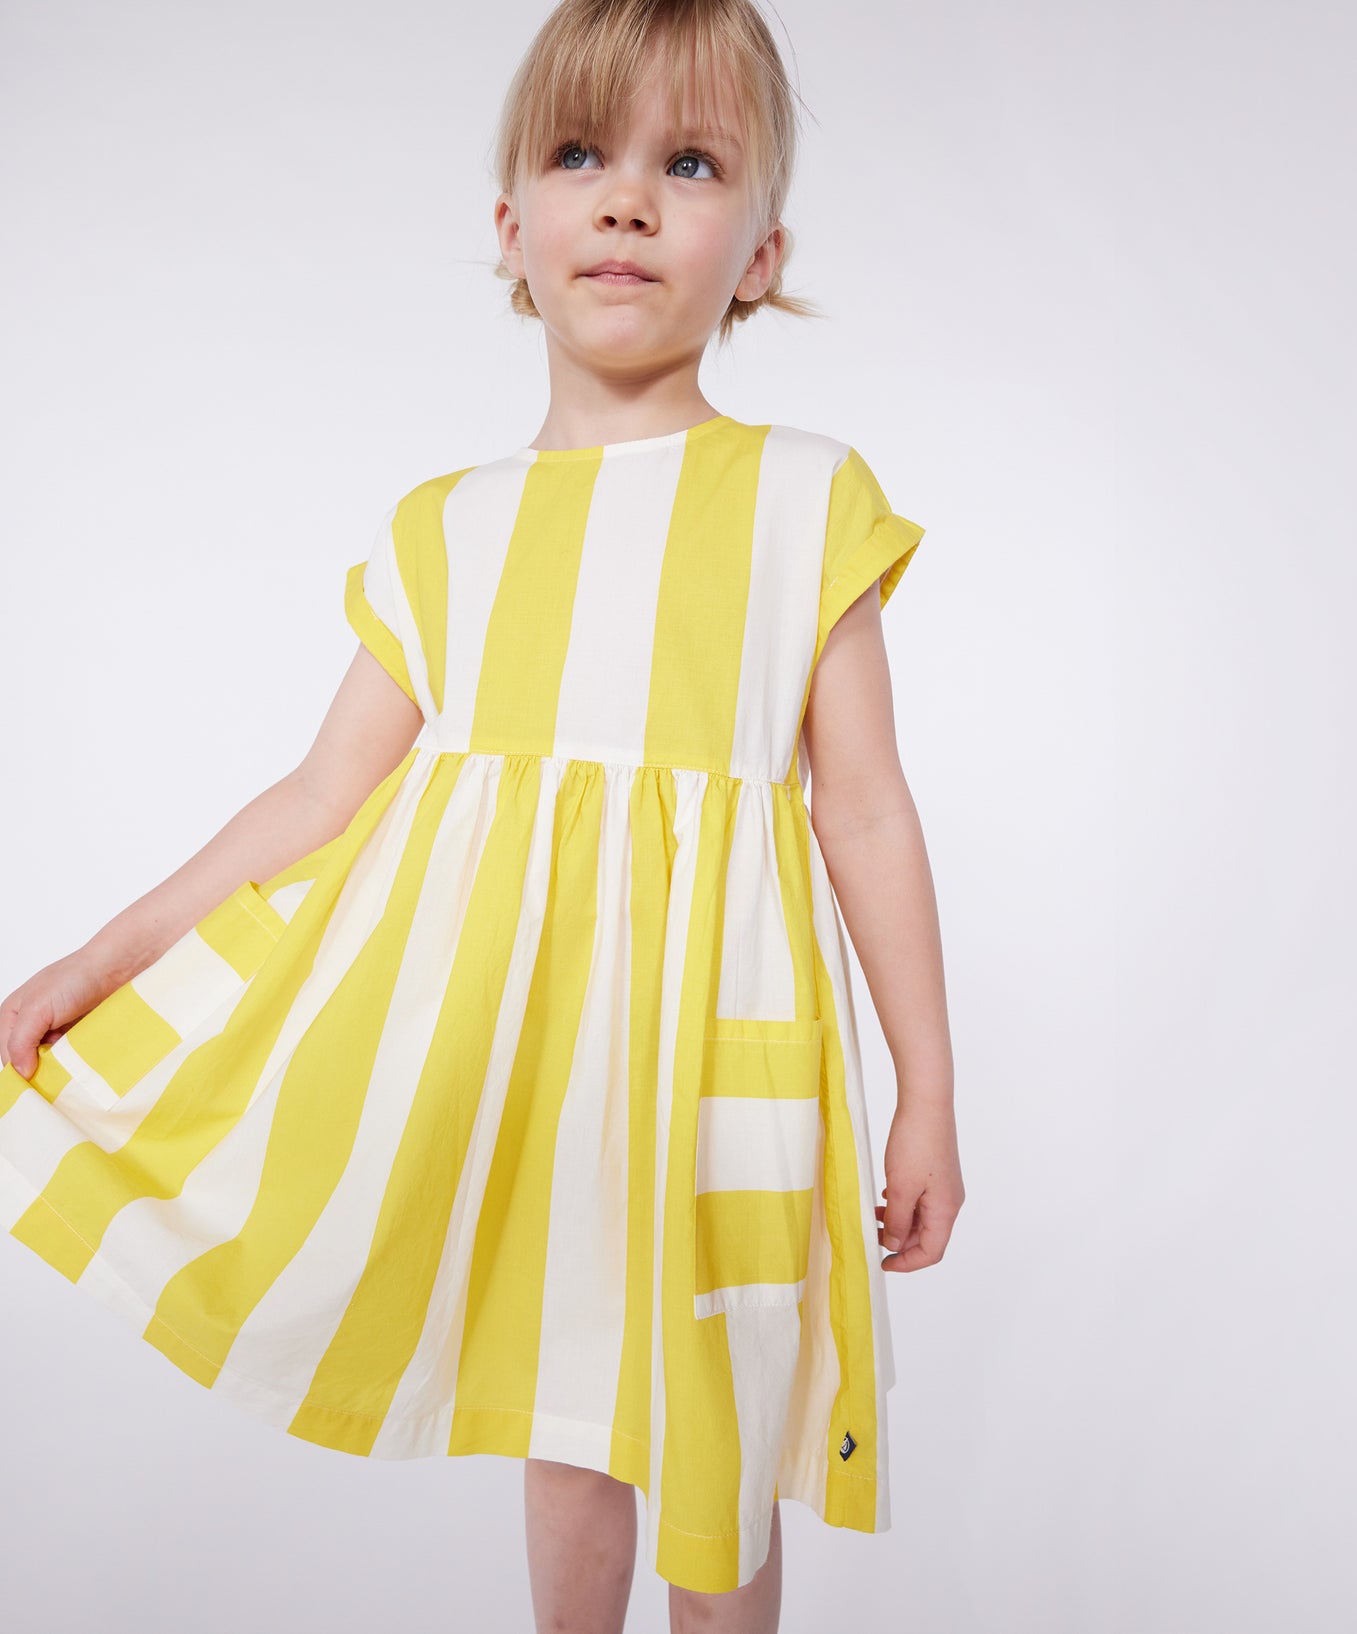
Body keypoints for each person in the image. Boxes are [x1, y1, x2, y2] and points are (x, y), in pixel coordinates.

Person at [0, 0, 962, 1629]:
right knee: (566, 1423)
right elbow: (320, 796)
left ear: (762, 254)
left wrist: (925, 1090)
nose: (629, 199)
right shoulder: (447, 529)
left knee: (715, 1448)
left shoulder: (804, 497)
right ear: (513, 227)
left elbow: (864, 812)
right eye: (582, 154)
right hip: (525, 1056)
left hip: (716, 1051)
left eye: (690, 164)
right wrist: (97, 962)